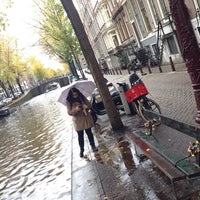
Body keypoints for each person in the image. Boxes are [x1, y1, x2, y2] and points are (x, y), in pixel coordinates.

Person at [66, 87, 98, 158]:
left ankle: (93, 146)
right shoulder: (69, 101)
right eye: (74, 95)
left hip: (85, 117)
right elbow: (69, 112)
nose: (75, 96)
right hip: (78, 120)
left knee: (89, 132)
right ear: (71, 95)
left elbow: (89, 105)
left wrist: (86, 106)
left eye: (76, 94)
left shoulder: (81, 96)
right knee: (80, 136)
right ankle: (82, 150)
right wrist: (75, 110)